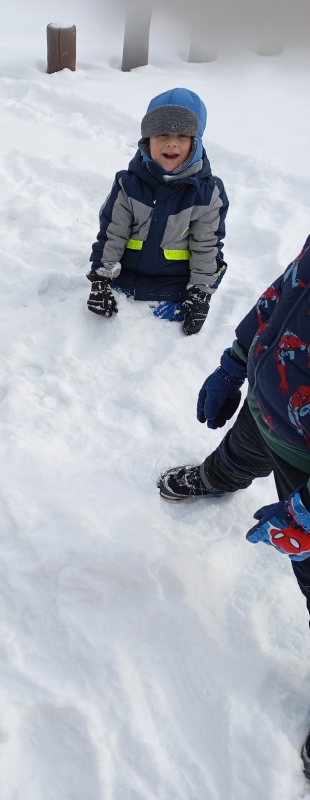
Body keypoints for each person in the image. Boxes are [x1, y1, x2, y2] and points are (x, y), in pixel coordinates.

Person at [157, 238, 310, 780]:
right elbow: (285, 292)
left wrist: (305, 515)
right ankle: (214, 479)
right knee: (237, 455)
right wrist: (238, 360)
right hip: (268, 406)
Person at [87, 88, 228, 335]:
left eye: (182, 135)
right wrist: (101, 278)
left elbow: (206, 247)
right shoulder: (128, 185)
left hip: (174, 292)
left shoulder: (206, 194)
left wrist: (200, 295)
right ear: (147, 140)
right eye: (162, 133)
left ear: (195, 142)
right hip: (123, 284)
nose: (171, 143)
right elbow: (112, 234)